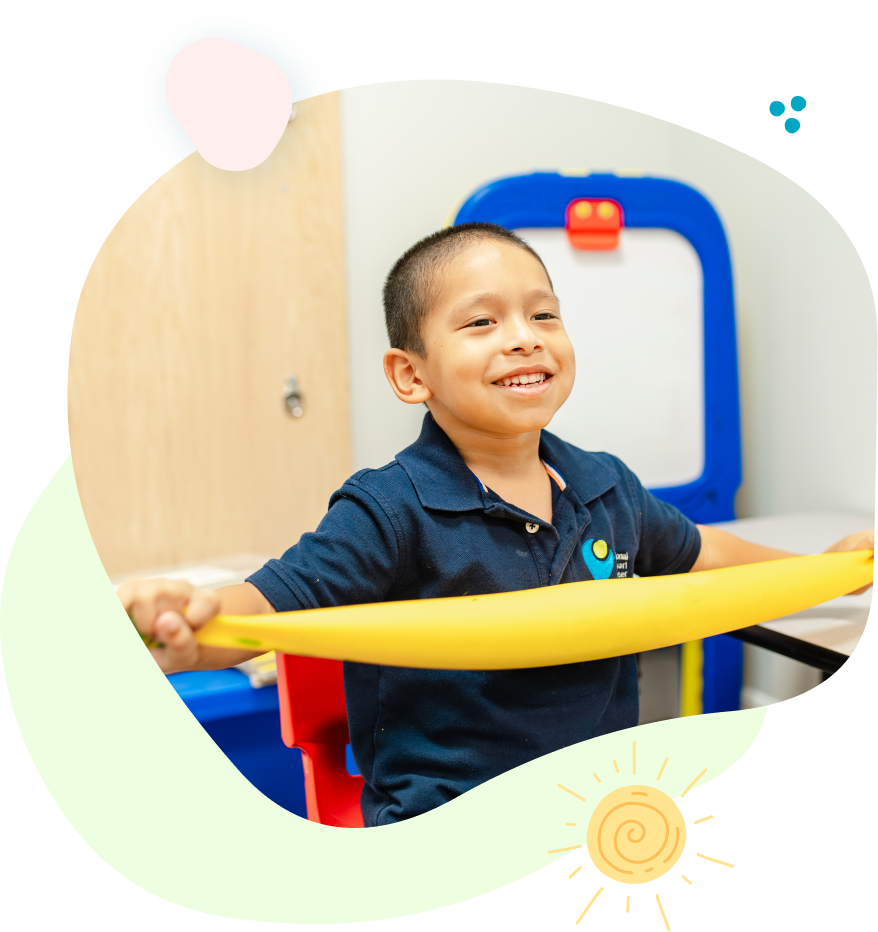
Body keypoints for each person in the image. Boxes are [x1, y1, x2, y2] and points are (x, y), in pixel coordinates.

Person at [120, 223, 874, 826]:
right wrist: (188, 627)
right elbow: (271, 606)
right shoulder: (389, 507)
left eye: (543, 314)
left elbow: (702, 554)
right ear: (411, 375)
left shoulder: (605, 484)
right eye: (482, 321)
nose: (524, 337)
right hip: (445, 817)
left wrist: (825, 566)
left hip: (598, 802)